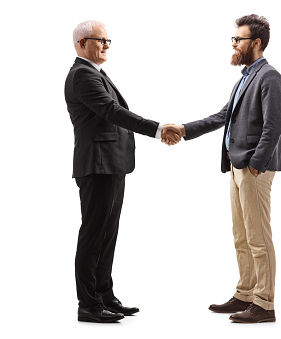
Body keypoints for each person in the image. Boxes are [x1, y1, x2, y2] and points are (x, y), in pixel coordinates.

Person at [163, 14, 281, 323]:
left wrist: (256, 165)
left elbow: (273, 127)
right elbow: (223, 116)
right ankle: (245, 293)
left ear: (255, 43)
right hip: (235, 167)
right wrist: (184, 128)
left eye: (238, 39)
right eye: (233, 39)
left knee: (258, 238)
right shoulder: (244, 77)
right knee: (241, 235)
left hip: (254, 169)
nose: (233, 44)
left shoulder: (270, 77)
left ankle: (265, 303)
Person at [64, 20, 180, 323]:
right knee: (93, 235)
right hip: (98, 165)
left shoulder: (95, 73)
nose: (105, 45)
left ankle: (104, 295)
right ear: (80, 44)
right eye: (99, 40)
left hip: (112, 164)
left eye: (107, 40)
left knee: (107, 235)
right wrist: (157, 129)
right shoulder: (82, 75)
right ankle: (88, 305)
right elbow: (112, 112)